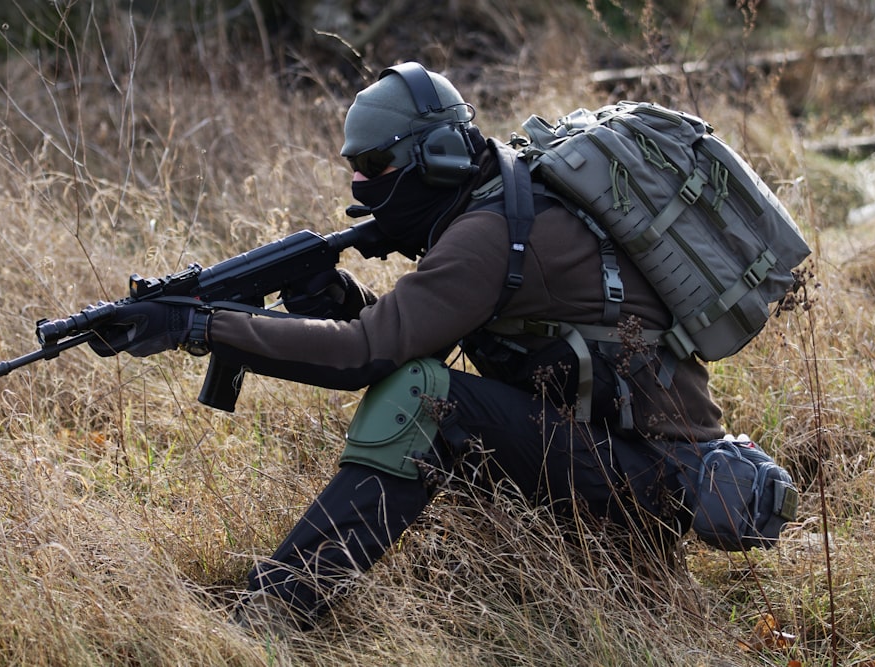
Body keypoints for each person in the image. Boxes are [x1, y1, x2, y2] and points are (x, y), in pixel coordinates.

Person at [89, 62, 726, 630]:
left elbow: (365, 356)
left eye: (374, 165)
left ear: (441, 155)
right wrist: (332, 296)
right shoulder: (502, 201)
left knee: (422, 400)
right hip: (619, 459)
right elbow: (401, 334)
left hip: (653, 482)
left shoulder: (489, 232)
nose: (363, 183)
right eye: (354, 168)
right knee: (423, 385)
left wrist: (199, 325)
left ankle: (270, 616)